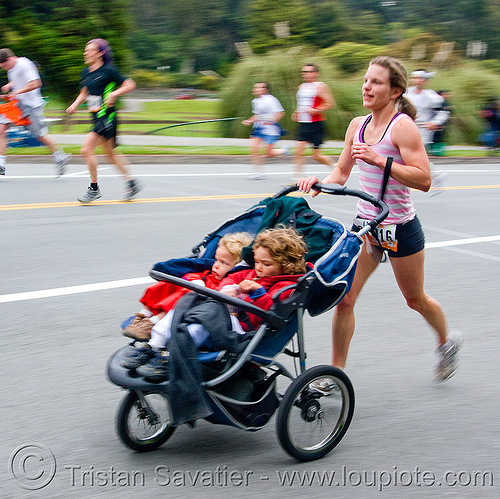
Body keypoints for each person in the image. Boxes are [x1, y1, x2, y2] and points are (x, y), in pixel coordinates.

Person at [298, 56, 461, 384]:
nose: (367, 86)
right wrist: (320, 183)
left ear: (395, 90)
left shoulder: (402, 126)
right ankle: (335, 375)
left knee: (415, 299)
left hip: (400, 228)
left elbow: (424, 179)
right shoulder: (357, 125)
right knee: (345, 297)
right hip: (367, 227)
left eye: (376, 82)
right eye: (366, 80)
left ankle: (446, 343)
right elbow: (342, 172)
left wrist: (380, 160)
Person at [122, 226, 308, 381]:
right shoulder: (252, 272)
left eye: (265, 264)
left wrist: (257, 292)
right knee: (185, 305)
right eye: (256, 261)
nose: (258, 268)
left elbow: (270, 311)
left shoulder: (286, 287)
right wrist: (231, 288)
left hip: (242, 326)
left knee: (198, 327)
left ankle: (170, 358)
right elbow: (232, 276)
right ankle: (153, 346)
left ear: (285, 265)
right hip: (223, 311)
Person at [122, 231, 253, 341]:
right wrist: (194, 279)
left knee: (186, 295)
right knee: (166, 284)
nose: (216, 265)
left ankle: (152, 323)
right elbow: (193, 275)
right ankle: (143, 315)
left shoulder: (227, 284)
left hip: (191, 306)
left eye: (224, 263)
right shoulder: (210, 273)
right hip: (191, 287)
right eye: (216, 260)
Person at [66, 39, 141, 203]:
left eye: (90, 50)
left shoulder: (109, 71)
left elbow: (130, 85)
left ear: (100, 53)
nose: (86, 53)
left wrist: (114, 94)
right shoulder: (86, 72)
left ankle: (94, 189)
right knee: (110, 154)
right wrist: (74, 105)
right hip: (96, 118)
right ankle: (131, 183)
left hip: (107, 117)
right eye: (85, 50)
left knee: (86, 150)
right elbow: (84, 92)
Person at [0, 48, 71, 177]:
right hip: (18, 104)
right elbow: (18, 79)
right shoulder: (12, 68)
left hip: (32, 106)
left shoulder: (25, 64)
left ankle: (60, 155)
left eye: (4, 65)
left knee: (39, 134)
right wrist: (10, 85)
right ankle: (1, 164)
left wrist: (17, 91)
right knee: (1, 128)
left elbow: (36, 83)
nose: (4, 69)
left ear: (9, 59)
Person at [406, 69, 449, 192]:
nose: (417, 80)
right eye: (414, 77)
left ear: (425, 80)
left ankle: (433, 176)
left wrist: (435, 123)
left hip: (423, 131)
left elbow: (443, 112)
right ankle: (436, 175)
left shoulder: (432, 96)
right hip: (407, 128)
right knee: (412, 157)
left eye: (419, 78)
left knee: (415, 157)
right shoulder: (407, 93)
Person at [292, 63, 335, 180]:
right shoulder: (301, 87)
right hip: (303, 124)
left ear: (316, 73)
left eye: (309, 71)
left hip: (316, 124)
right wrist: (296, 112)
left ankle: (335, 168)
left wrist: (315, 110)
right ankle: (297, 177)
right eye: (304, 72)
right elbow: (301, 104)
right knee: (298, 151)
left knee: (316, 156)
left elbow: (330, 103)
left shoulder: (320, 86)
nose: (306, 74)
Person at [241, 82, 290, 180]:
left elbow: (280, 113)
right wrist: (249, 121)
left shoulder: (270, 99)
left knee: (269, 154)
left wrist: (271, 121)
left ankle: (284, 151)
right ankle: (258, 172)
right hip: (258, 128)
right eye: (255, 87)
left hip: (270, 129)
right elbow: (256, 115)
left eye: (259, 87)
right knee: (254, 149)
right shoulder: (255, 101)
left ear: (265, 89)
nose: (256, 89)